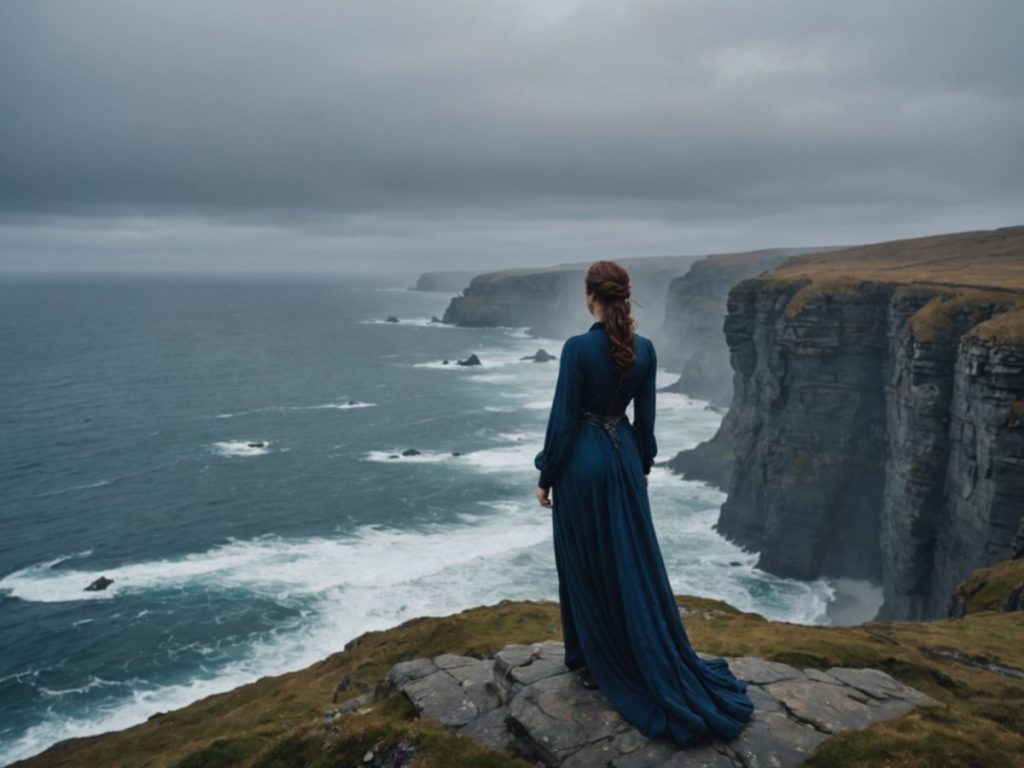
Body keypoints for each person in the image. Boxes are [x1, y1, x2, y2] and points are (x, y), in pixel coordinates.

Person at [533, 260, 754, 747]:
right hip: (625, 462)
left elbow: (565, 421)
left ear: (591, 296)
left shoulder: (576, 349)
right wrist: (642, 467)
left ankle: (589, 660)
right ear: (623, 297)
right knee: (629, 561)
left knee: (584, 562)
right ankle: (637, 651)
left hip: (584, 467)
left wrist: (546, 474)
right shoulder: (646, 350)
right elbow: (646, 422)